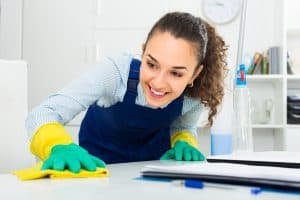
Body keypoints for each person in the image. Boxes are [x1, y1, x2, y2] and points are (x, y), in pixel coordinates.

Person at [26, 12, 227, 173]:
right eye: (151, 64)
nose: (158, 83)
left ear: (195, 74)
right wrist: (56, 145)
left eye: (176, 73)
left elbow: (182, 126)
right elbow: (42, 113)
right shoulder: (115, 73)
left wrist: (184, 141)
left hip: (149, 176)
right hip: (96, 172)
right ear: (143, 51)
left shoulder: (194, 99)